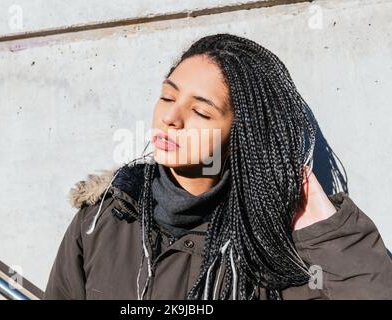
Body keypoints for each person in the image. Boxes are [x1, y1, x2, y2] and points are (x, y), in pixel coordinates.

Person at [44, 33, 392, 300]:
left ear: (241, 134)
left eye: (200, 111)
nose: (171, 117)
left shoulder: (271, 244)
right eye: (167, 96)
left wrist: (330, 235)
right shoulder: (102, 220)